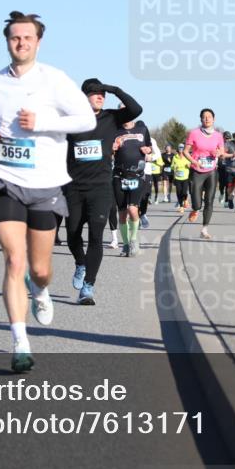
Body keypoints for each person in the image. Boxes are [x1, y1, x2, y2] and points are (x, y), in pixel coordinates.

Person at [0, 11, 96, 372]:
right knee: (15, 259)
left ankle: (40, 290)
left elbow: (86, 120)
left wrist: (43, 122)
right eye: (15, 38)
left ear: (38, 42)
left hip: (45, 183)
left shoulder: (56, 81)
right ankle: (20, 342)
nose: (21, 43)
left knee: (40, 269)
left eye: (27, 38)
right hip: (3, 179)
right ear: (7, 41)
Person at [64, 78, 142, 305]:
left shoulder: (111, 117)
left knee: (96, 237)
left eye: (102, 93)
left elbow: (136, 109)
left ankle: (88, 287)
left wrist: (114, 88)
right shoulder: (72, 120)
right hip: (74, 187)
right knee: (71, 234)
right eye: (95, 93)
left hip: (101, 187)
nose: (100, 96)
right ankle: (80, 262)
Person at [112, 117, 153, 256]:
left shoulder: (142, 129)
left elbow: (150, 148)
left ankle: (134, 239)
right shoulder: (115, 130)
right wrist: (112, 149)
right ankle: (125, 244)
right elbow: (108, 151)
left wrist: (148, 150)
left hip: (137, 175)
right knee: (122, 213)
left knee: (133, 210)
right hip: (119, 175)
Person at [184, 108, 225, 239]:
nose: (207, 119)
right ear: (201, 119)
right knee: (197, 203)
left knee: (209, 200)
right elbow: (185, 152)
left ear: (214, 119)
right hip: (197, 170)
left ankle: (204, 229)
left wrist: (218, 153)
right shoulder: (194, 133)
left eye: (209, 116)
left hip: (211, 171)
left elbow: (222, 151)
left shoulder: (218, 135)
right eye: (204, 117)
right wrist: (194, 162)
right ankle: (195, 209)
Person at [139, 134, 161, 229]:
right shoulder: (130, 138)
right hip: (132, 172)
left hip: (147, 172)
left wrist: (150, 158)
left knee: (145, 196)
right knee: (135, 197)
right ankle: (135, 217)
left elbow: (158, 154)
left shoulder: (151, 140)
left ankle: (143, 214)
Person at [171, 143, 191, 210]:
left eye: (182, 148)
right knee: (179, 192)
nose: (181, 149)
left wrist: (189, 165)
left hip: (185, 177)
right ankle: (181, 205)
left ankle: (185, 200)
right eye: (180, 148)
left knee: (184, 192)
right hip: (177, 177)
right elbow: (171, 166)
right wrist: (174, 167)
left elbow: (191, 164)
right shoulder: (175, 157)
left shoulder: (187, 156)